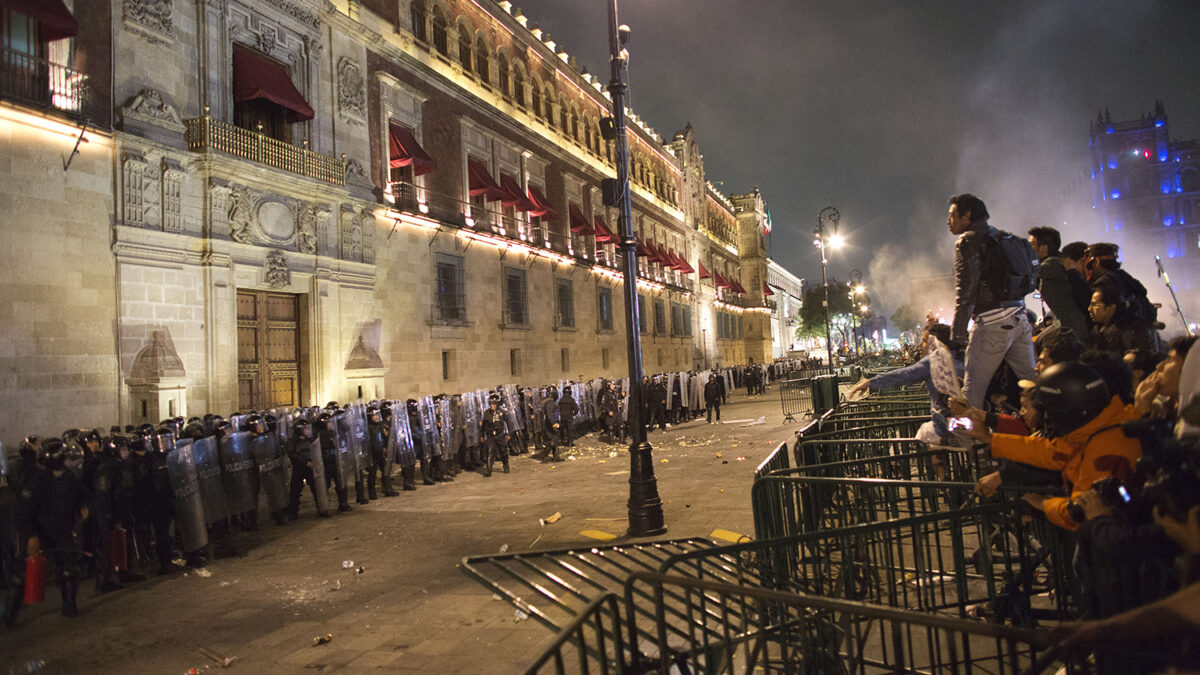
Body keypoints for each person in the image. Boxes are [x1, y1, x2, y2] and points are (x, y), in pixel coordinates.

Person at [986, 362, 1142, 531]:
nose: (1047, 418)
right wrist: (991, 440)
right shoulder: (1097, 427)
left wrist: (1043, 504)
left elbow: (1079, 512)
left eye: (1051, 411)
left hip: (1110, 541)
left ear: (1069, 410)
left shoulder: (1104, 449)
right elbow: (1053, 451)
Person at [946, 193, 1037, 409]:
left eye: (952, 216)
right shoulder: (1006, 238)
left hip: (992, 325)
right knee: (1034, 386)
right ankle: (1052, 432)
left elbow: (966, 292)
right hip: (1020, 319)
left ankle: (968, 442)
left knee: (971, 395)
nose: (948, 222)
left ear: (967, 216)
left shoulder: (967, 242)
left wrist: (957, 336)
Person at [848, 322, 964, 448]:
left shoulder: (933, 361)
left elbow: (903, 375)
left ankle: (940, 466)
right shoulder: (962, 356)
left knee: (921, 436)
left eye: (924, 341)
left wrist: (871, 382)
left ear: (934, 343)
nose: (920, 345)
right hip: (970, 421)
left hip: (944, 425)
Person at [15, 439, 89, 618]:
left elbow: (81, 495)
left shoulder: (69, 478)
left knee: (68, 570)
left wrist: (82, 507)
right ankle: (10, 612)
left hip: (63, 529)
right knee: (21, 575)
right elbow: (24, 512)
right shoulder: (37, 479)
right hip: (40, 530)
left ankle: (69, 606)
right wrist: (31, 536)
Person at [1028, 226, 1090, 338]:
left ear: (1044, 248)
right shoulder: (1053, 263)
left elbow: (1026, 273)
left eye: (1032, 244)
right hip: (1067, 326)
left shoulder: (1052, 264)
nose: (1028, 249)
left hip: (1073, 330)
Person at [1087, 284, 1158, 354]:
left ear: (1111, 307)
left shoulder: (1132, 330)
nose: (1089, 309)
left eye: (1094, 305)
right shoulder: (1099, 329)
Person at [286, 419, 329, 519]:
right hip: (299, 469)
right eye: (305, 429)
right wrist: (305, 463)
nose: (307, 430)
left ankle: (322, 509)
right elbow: (293, 455)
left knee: (317, 490)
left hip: (311, 468)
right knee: (295, 492)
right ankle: (293, 512)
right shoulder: (292, 442)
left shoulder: (311, 440)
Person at [481, 394, 509, 475]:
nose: (492, 406)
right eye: (491, 404)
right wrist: (482, 435)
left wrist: (508, 433)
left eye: (494, 404)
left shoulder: (502, 412)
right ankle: (488, 469)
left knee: (503, 451)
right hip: (490, 436)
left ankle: (506, 465)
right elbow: (484, 425)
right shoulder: (487, 413)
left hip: (500, 435)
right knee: (490, 451)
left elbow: (508, 423)